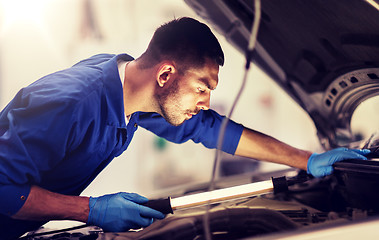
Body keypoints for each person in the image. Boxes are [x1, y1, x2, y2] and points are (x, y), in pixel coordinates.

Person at [0, 17, 370, 239]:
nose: (206, 101)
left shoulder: (133, 91)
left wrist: (308, 159)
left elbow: (210, 128)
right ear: (165, 74)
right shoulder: (71, 101)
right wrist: (89, 210)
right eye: (202, 88)